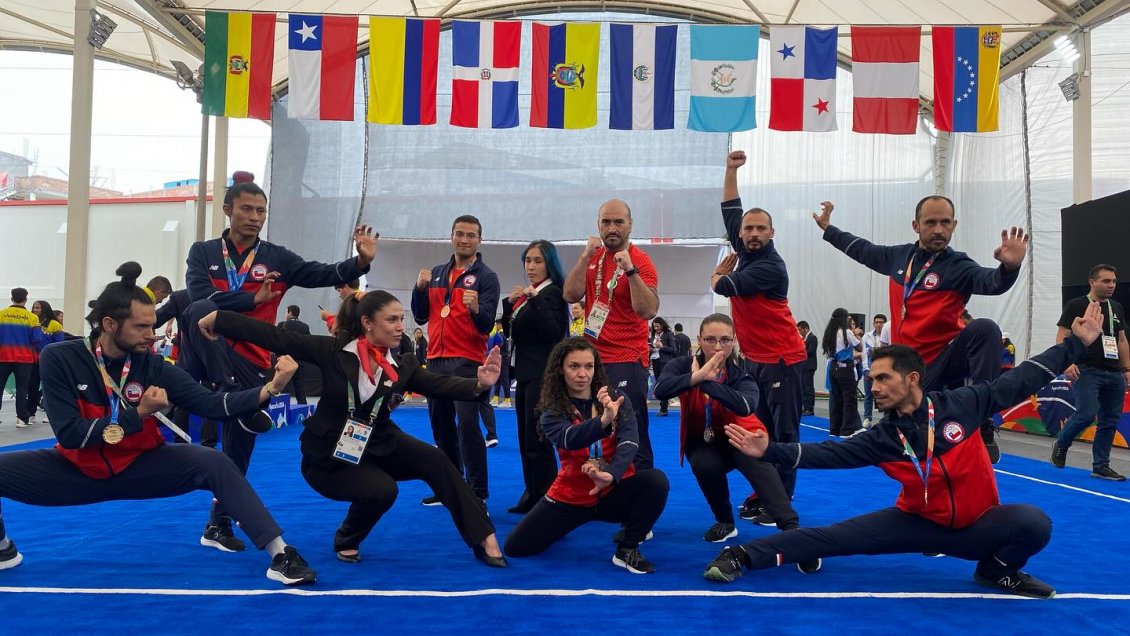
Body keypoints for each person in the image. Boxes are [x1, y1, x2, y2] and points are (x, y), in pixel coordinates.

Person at [703, 301, 1107, 599]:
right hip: (917, 522)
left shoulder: (963, 404)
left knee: (1034, 523)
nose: (874, 387)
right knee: (834, 537)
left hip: (977, 526)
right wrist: (769, 450)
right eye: (871, 380)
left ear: (912, 378)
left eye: (882, 379)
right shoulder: (883, 437)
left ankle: (996, 571)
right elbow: (825, 454)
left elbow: (1024, 378)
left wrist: (1075, 344)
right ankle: (741, 555)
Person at [0, 263, 316, 585]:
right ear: (109, 324)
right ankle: (2, 549)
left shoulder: (152, 364)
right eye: (141, 327)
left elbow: (212, 404)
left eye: (152, 325)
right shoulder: (60, 358)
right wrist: (137, 414)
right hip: (76, 470)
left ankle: (281, 553)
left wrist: (270, 388)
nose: (152, 335)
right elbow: (70, 435)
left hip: (141, 467)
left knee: (216, 463)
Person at [198, 290, 508, 567]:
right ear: (367, 323)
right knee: (383, 491)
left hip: (380, 444)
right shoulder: (333, 351)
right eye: (392, 320)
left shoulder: (404, 365)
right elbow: (276, 338)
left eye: (402, 319)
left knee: (437, 460)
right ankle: (347, 537)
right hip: (328, 460)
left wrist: (479, 384)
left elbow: (439, 384)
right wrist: (220, 319)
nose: (400, 326)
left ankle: (484, 537)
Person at [181, 174, 375, 552]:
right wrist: (252, 300)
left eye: (261, 211)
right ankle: (230, 392)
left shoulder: (277, 257)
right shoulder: (202, 252)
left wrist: (361, 261)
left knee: (236, 453)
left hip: (254, 360)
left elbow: (321, 273)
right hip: (210, 354)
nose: (255, 217)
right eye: (247, 209)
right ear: (228, 210)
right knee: (199, 308)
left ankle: (218, 524)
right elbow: (200, 295)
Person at [813, 196, 1029, 463]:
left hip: (943, 361)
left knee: (985, 328)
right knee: (898, 450)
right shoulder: (898, 257)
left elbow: (991, 282)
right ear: (916, 225)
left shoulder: (960, 266)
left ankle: (982, 418)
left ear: (954, 225)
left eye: (945, 222)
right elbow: (862, 249)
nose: (938, 229)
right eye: (930, 222)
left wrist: (1009, 268)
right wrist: (829, 229)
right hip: (907, 369)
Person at [503, 337, 669, 574]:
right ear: (560, 369)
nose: (583, 374)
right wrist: (604, 421)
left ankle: (627, 549)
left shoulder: (616, 398)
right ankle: (565, 524)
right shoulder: (552, 409)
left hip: (612, 491)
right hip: (571, 496)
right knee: (515, 547)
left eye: (588, 366)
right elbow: (569, 438)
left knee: (656, 481)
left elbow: (630, 441)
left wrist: (611, 474)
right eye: (574, 366)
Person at [654, 314, 814, 555]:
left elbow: (746, 405)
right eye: (710, 339)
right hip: (702, 442)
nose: (718, 347)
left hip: (740, 437)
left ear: (734, 341)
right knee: (703, 465)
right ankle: (725, 522)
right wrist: (697, 376)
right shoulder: (681, 365)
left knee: (759, 460)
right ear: (699, 340)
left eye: (725, 340)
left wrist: (704, 383)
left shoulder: (741, 375)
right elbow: (660, 390)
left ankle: (792, 530)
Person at [711, 151, 808, 506]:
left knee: (783, 433)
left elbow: (722, 286)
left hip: (782, 360)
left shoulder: (770, 267)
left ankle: (783, 498)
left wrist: (717, 274)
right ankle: (767, 491)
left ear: (772, 233)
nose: (753, 233)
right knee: (759, 430)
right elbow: (730, 207)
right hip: (755, 360)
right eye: (748, 228)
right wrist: (730, 170)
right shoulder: (745, 249)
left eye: (760, 229)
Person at [563, 199, 660, 470]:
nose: (612, 228)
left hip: (627, 359)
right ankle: (605, 483)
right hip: (593, 361)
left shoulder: (641, 260)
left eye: (618, 222)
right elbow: (570, 294)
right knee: (597, 427)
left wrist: (630, 270)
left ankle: (641, 486)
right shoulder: (593, 257)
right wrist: (584, 256)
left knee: (631, 432)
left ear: (630, 225)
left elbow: (648, 310)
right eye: (606, 222)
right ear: (599, 225)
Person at [412, 215, 500, 504]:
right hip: (435, 360)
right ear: (451, 236)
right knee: (441, 427)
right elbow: (420, 316)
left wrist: (476, 309)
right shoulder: (437, 273)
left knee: (468, 427)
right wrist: (418, 290)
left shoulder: (487, 277)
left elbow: (486, 325)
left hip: (466, 361)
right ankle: (450, 487)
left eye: (471, 235)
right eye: (459, 234)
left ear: (479, 240)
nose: (464, 239)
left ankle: (477, 493)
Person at [500, 240, 570, 514]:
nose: (530, 266)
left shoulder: (552, 293)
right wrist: (510, 305)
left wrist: (534, 300)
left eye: (537, 261)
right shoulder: (533, 294)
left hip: (542, 375)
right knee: (526, 438)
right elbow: (513, 331)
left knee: (538, 441)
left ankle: (546, 499)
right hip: (526, 373)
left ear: (549, 264)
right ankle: (532, 494)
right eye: (527, 260)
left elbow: (552, 332)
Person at [1050, 264, 1129, 481]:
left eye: (1114, 281)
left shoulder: (1116, 307)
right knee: (1086, 413)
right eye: (1106, 281)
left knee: (1110, 420)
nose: (1111, 285)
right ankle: (1062, 442)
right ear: (1092, 282)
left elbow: (1122, 340)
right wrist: (1066, 363)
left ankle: (1101, 466)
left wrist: (1127, 368)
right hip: (1086, 370)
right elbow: (1062, 335)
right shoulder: (1076, 305)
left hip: (1114, 371)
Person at [0, 287, 41, 429]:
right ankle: (22, 419)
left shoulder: (1, 314)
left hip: (2, 357)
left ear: (11, 298)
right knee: (22, 388)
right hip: (24, 358)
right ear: (25, 299)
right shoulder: (32, 318)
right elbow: (37, 339)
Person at [823, 308, 863, 438]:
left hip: (833, 367)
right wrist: (857, 335)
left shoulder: (830, 332)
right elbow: (859, 347)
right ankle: (847, 430)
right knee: (849, 399)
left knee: (837, 399)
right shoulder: (847, 332)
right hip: (845, 368)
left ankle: (835, 429)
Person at [26, 300, 64, 425]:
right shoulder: (30, 321)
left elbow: (59, 344)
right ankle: (30, 414)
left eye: (38, 308)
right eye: (34, 307)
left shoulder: (55, 324)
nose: (35, 310)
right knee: (32, 387)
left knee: (48, 388)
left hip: (48, 361)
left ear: (45, 308)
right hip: (33, 360)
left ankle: (50, 414)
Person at [276, 305, 312, 404]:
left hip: (285, 361)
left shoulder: (282, 325)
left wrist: (278, 355)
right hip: (299, 362)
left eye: (286, 312)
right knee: (299, 388)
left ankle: (278, 406)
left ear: (290, 313)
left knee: (279, 386)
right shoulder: (305, 326)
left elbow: (277, 341)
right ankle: (303, 407)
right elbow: (308, 343)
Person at [860, 314, 887, 427]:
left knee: (885, 394)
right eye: (876, 322)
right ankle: (867, 418)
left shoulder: (888, 335)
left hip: (884, 369)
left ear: (885, 324)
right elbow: (862, 353)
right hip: (870, 369)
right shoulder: (867, 336)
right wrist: (865, 368)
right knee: (868, 395)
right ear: (873, 323)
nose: (878, 324)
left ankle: (886, 418)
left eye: (881, 322)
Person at [649, 318, 677, 416]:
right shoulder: (653, 335)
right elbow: (652, 346)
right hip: (655, 360)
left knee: (663, 384)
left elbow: (673, 350)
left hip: (665, 362)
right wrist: (651, 349)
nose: (656, 328)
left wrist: (662, 347)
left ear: (662, 325)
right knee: (658, 383)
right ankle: (664, 406)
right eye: (654, 326)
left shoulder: (668, 334)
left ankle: (663, 408)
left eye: (658, 326)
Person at [798, 321, 818, 416]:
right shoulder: (804, 339)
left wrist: (800, 350)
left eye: (800, 330)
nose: (799, 332)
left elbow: (810, 351)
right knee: (804, 387)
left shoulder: (812, 338)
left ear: (806, 329)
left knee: (808, 387)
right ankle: (805, 406)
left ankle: (809, 408)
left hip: (809, 366)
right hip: (804, 366)